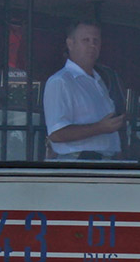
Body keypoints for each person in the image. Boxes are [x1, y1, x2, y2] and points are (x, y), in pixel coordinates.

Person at [43, 21, 125, 160]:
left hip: (104, 161)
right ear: (70, 44)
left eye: (96, 41)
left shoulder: (99, 81)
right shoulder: (60, 81)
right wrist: (100, 128)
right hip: (77, 163)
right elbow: (56, 133)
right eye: (85, 40)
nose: (92, 45)